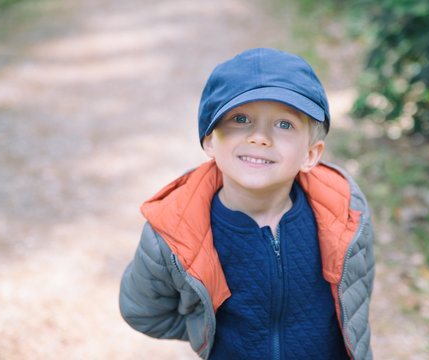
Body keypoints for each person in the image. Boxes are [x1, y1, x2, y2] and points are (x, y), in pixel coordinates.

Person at [119, 48, 375, 360]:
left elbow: (356, 294)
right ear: (211, 139)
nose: (259, 137)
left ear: (310, 154)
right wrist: (207, 329)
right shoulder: (175, 232)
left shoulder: (344, 212)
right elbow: (142, 310)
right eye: (240, 119)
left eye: (284, 124)